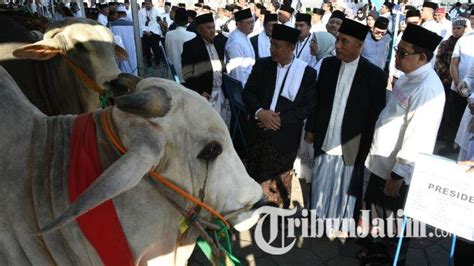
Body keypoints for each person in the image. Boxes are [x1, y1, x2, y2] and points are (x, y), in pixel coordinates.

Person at [362, 23, 444, 265]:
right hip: (383, 160)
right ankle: (372, 252)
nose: (396, 57)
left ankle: (387, 260)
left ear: (422, 57)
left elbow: (419, 136)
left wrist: (399, 174)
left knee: (392, 221)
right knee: (376, 213)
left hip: (396, 171)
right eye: (397, 50)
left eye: (402, 53)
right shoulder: (410, 76)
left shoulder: (428, 88)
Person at [305, 18, 387, 239]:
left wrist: (367, 146)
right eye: (338, 40)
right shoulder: (328, 65)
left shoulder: (374, 75)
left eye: (344, 42)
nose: (338, 46)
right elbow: (317, 100)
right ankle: (318, 220)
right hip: (326, 134)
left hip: (352, 142)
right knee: (321, 180)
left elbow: (374, 116)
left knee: (345, 186)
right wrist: (311, 128)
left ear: (360, 46)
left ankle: (341, 224)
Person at [243, 24, 317, 208]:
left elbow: (308, 106)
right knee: (254, 176)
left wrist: (278, 120)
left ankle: (275, 218)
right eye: (271, 44)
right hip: (258, 133)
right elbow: (248, 93)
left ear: (291, 48)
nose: (272, 49)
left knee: (279, 183)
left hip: (284, 137)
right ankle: (252, 211)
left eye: (278, 46)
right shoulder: (262, 65)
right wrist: (260, 113)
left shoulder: (307, 72)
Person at [181, 13, 229, 124]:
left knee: (221, 123)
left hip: (220, 91)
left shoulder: (218, 42)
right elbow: (187, 73)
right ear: (199, 29)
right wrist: (199, 92)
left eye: (213, 27)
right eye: (208, 28)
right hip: (204, 94)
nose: (212, 31)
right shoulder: (191, 46)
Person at [436, 18, 468, 155]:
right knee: (446, 112)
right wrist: (450, 77)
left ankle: (455, 143)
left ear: (465, 29)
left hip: (463, 85)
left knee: (458, 116)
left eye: (458, 28)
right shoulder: (446, 43)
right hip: (447, 83)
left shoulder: (467, 43)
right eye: (454, 28)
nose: (456, 31)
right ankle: (444, 137)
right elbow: (439, 60)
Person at [453, 9, 474, 161]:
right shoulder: (466, 39)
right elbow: (471, 75)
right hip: (472, 106)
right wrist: (465, 82)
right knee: (465, 157)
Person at [225, 8, 256, 87]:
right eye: (249, 22)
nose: (252, 25)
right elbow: (236, 72)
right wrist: (242, 92)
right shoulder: (236, 42)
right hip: (242, 86)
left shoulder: (244, 35)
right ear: (239, 24)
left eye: (252, 21)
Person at [165, 8, 195, 82]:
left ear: (175, 20)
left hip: (172, 73)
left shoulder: (168, 34)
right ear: (187, 20)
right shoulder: (192, 35)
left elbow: (167, 51)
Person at [110, 5, 137, 75]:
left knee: (121, 67)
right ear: (125, 14)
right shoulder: (132, 24)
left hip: (119, 49)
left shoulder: (111, 24)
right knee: (132, 64)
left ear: (117, 14)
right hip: (131, 48)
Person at [139, 0, 163, 67]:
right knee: (147, 49)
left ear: (151, 3)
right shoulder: (141, 11)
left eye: (148, 3)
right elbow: (140, 22)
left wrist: (151, 31)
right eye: (146, 3)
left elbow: (158, 22)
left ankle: (157, 63)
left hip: (155, 32)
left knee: (156, 49)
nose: (147, 5)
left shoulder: (156, 11)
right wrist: (145, 31)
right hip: (145, 33)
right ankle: (149, 63)